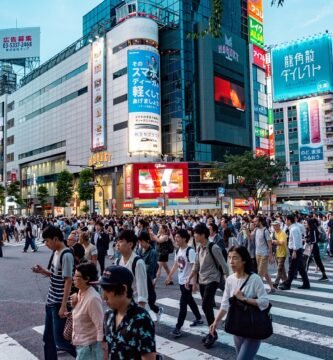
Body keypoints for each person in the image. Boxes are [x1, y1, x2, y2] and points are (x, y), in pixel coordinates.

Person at [210, 246, 269, 360]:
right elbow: (225, 304)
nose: (231, 261)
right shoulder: (230, 279)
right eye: (229, 257)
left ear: (244, 260)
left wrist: (243, 299)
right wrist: (216, 322)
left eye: (235, 258)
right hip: (238, 327)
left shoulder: (255, 279)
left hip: (253, 329)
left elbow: (265, 302)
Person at [32, 225, 76, 359]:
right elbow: (57, 275)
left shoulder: (66, 254)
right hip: (51, 300)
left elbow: (68, 280)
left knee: (60, 340)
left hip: (58, 302)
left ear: (55, 239)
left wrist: (63, 306)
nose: (46, 244)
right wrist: (43, 271)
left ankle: (84, 355)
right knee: (48, 338)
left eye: (47, 241)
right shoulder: (56, 252)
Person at [185, 223, 229, 349]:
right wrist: (190, 278)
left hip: (213, 279)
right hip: (202, 280)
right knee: (207, 307)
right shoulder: (199, 247)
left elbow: (223, 265)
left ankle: (213, 333)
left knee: (205, 305)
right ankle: (212, 331)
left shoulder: (213, 247)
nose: (194, 236)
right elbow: (196, 266)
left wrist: (229, 280)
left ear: (203, 235)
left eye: (196, 234)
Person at [100, 265, 157, 360]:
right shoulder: (108, 315)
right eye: (103, 290)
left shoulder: (141, 319)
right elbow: (105, 349)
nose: (104, 297)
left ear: (124, 289)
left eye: (108, 290)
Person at [166, 229, 203, 338]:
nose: (176, 239)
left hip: (188, 282)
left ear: (184, 238)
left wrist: (194, 284)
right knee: (190, 301)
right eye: (175, 237)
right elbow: (176, 264)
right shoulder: (178, 251)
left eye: (178, 237)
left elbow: (194, 268)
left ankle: (178, 327)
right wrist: (169, 276)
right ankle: (199, 318)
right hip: (181, 281)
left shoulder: (190, 251)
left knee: (183, 304)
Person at [71, 262, 104, 360]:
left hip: (89, 347)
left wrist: (99, 352)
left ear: (87, 279)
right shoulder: (80, 292)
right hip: (80, 344)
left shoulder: (93, 299)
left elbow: (100, 325)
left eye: (77, 276)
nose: (73, 278)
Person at [116, 230, 148, 307]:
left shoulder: (138, 263)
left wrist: (140, 312)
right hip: (122, 304)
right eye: (117, 241)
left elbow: (142, 292)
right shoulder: (117, 261)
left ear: (130, 244)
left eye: (120, 241)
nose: (117, 244)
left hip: (134, 305)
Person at [279, 215, 310, 290]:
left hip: (295, 250)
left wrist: (294, 251)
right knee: (300, 268)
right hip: (296, 250)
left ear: (289, 221)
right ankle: (306, 283)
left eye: (286, 220)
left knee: (292, 268)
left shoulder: (294, 229)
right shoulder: (293, 228)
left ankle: (288, 284)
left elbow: (296, 241)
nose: (285, 221)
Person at [137, 231, 163, 322]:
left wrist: (141, 265)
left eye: (141, 242)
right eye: (139, 242)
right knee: (141, 298)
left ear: (147, 241)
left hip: (148, 278)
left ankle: (158, 310)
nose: (140, 244)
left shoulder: (153, 252)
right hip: (140, 277)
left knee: (150, 300)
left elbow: (151, 267)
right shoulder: (139, 250)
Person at [253, 216, 275, 293]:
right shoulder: (256, 230)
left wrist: (270, 256)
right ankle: (272, 288)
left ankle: (257, 292)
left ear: (260, 222)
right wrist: (245, 229)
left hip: (264, 254)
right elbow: (249, 237)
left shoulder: (265, 231)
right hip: (257, 254)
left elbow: (270, 244)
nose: (254, 223)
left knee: (260, 274)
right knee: (265, 272)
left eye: (255, 221)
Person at [271, 221, 288, 288]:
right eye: (273, 226)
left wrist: (274, 241)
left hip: (282, 253)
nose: (274, 227)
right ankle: (285, 280)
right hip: (276, 253)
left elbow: (282, 243)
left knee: (279, 268)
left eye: (275, 225)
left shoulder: (282, 233)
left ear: (279, 225)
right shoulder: (274, 233)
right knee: (281, 268)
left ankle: (276, 283)